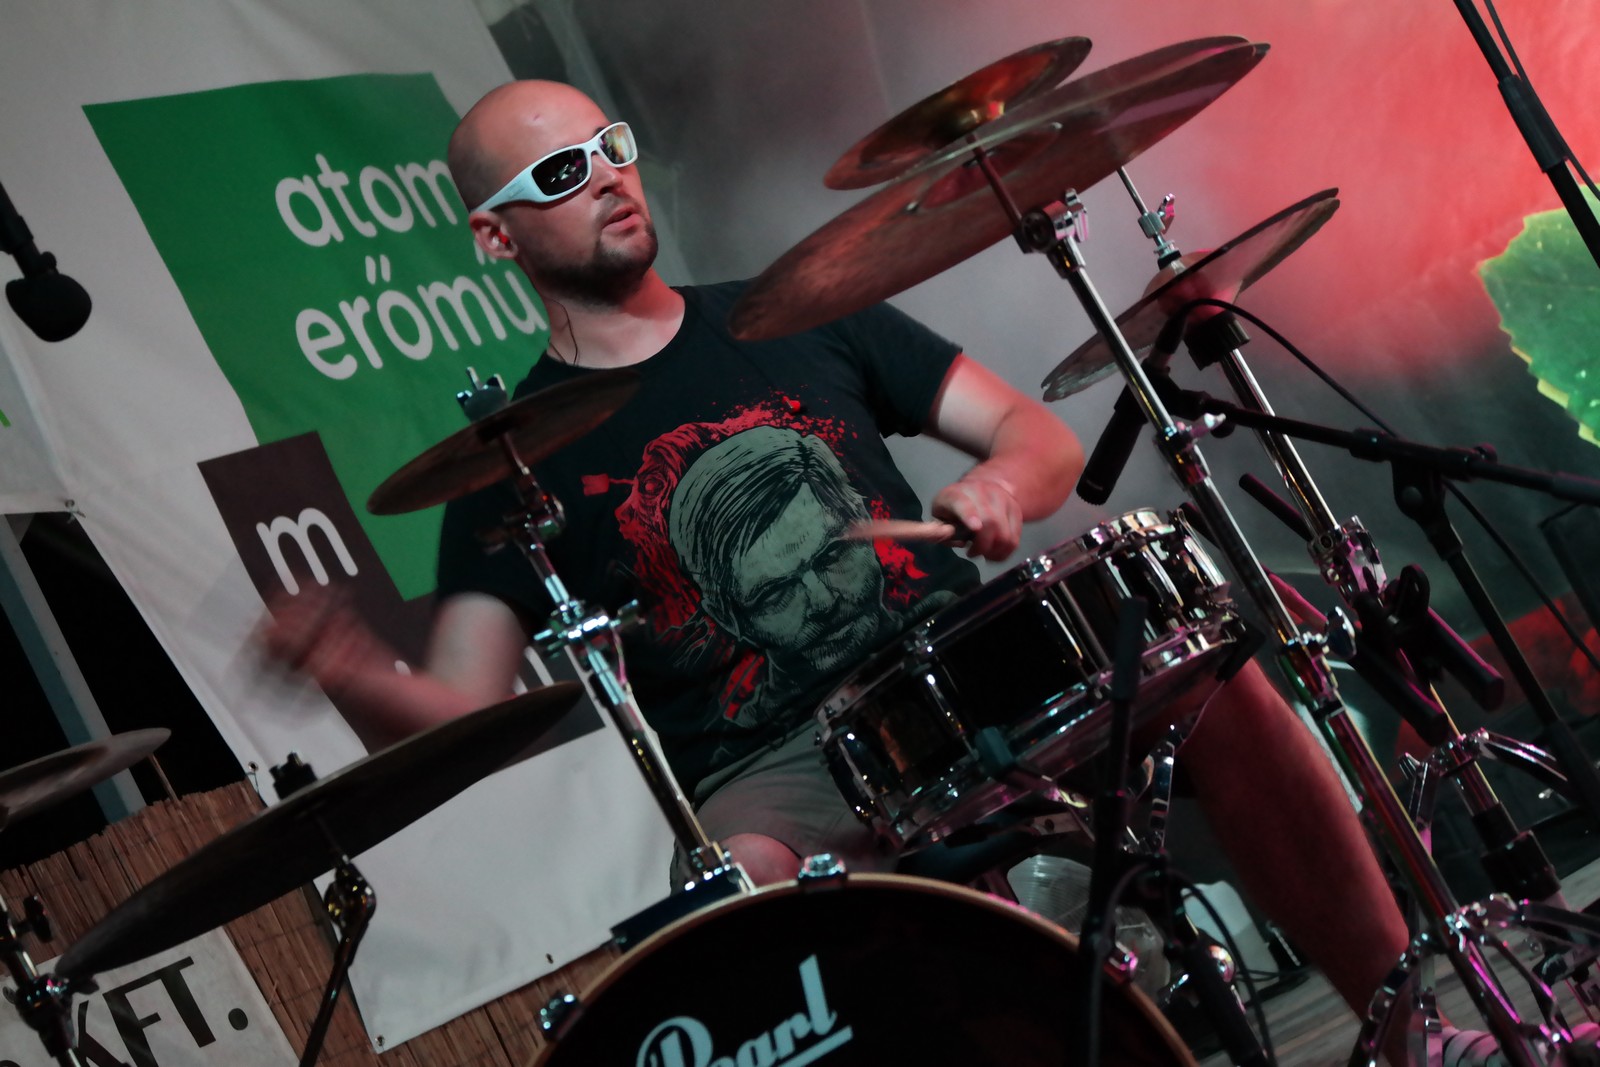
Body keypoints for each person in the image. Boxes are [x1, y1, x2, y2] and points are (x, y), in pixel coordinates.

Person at [262, 79, 1531, 1067]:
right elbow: (466, 709)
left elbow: (1034, 437)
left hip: (959, 669)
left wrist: (999, 487)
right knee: (744, 924)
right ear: (495, 233)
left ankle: (1407, 1029)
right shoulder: (506, 467)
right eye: (559, 172)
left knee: (1210, 678)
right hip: (772, 770)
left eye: (611, 145)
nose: (605, 177)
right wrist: (348, 666)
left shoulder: (793, 310)